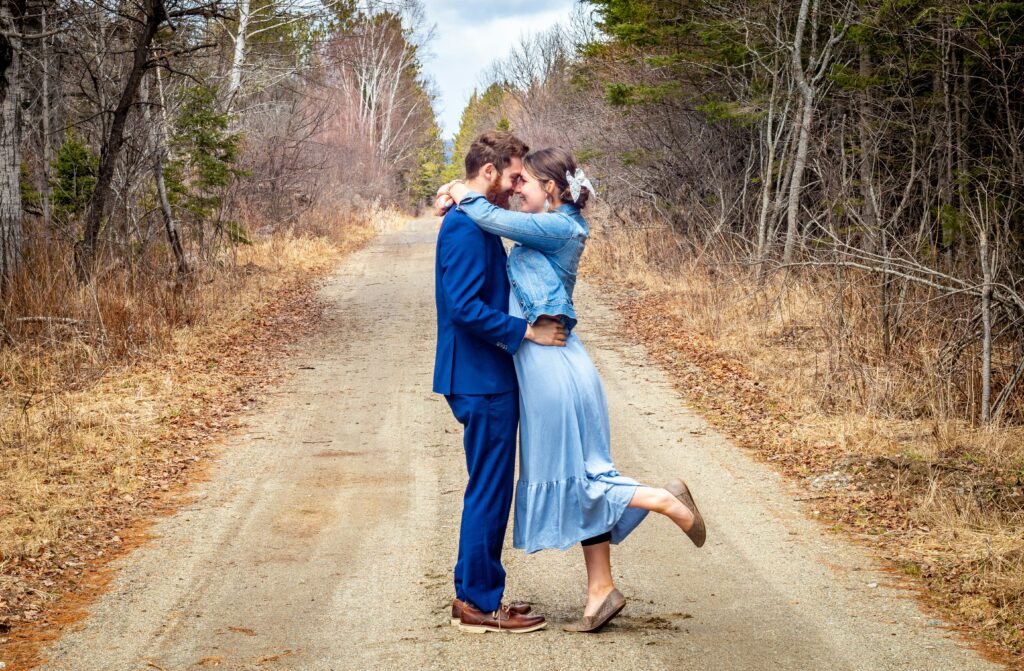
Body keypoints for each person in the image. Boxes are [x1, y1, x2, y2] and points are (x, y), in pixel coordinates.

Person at [434, 146, 706, 633]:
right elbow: (470, 285)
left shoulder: (558, 226)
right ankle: (599, 588)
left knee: (575, 474)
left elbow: (489, 217)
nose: (517, 190)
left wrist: (460, 192)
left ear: (553, 189)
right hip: (544, 363)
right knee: (574, 470)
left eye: (525, 182)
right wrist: (458, 194)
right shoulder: (492, 221)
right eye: (513, 179)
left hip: (551, 365)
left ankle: (662, 500)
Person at [432, 131, 566, 634]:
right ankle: (478, 604)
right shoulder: (466, 228)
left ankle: (475, 592)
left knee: (486, 487)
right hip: (479, 377)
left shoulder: (473, 217)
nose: (515, 186)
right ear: (488, 172)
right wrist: (526, 331)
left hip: (484, 376)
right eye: (512, 175)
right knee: (488, 490)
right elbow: (465, 308)